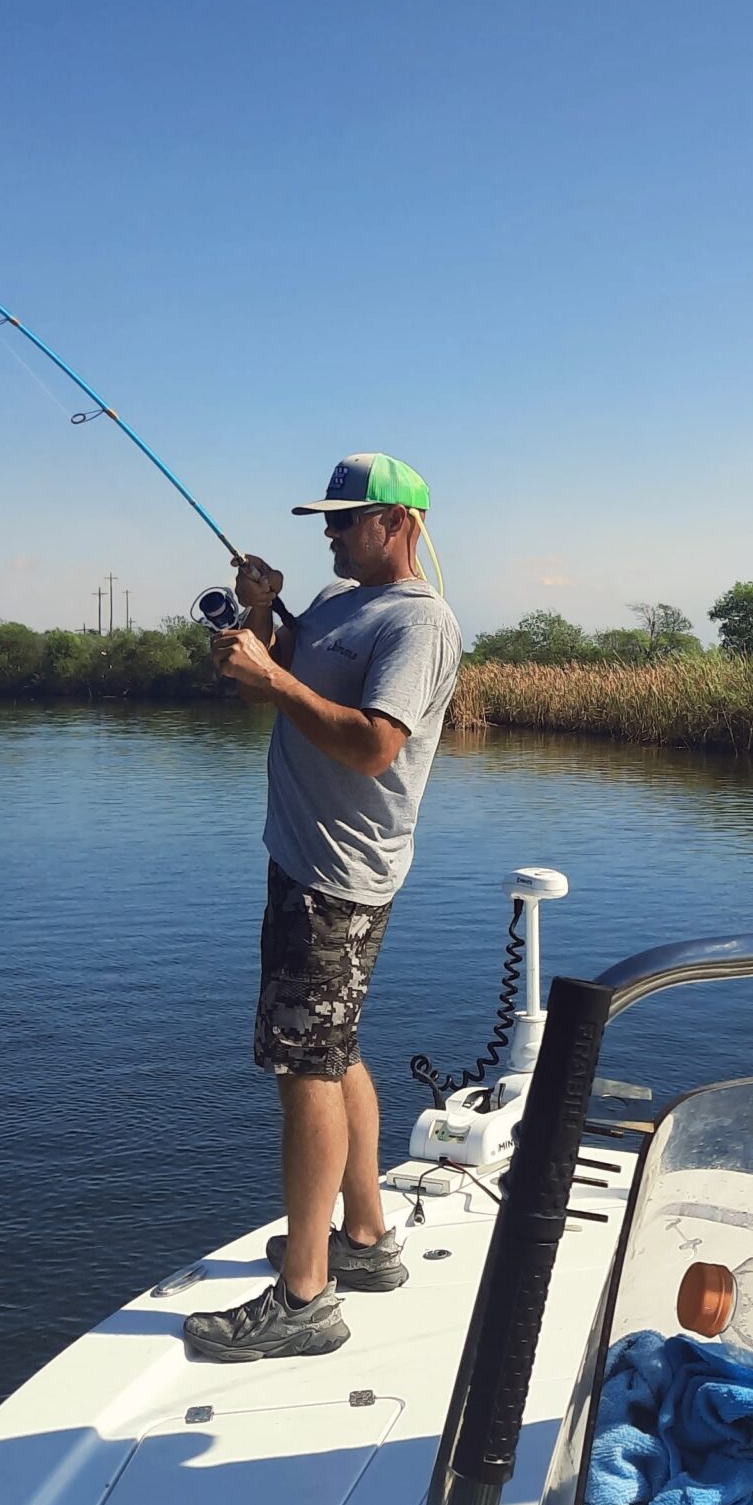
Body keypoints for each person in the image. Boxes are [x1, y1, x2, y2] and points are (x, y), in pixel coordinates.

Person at [183, 452, 461, 1363]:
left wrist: (273, 682)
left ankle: (305, 1296)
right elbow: (286, 678)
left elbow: (376, 745)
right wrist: (264, 618)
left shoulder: (419, 623)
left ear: (398, 523)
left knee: (304, 1069)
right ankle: (366, 1240)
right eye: (326, 521)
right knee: (332, 1051)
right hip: (301, 861)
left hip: (339, 876)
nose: (331, 534)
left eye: (345, 519)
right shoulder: (340, 602)